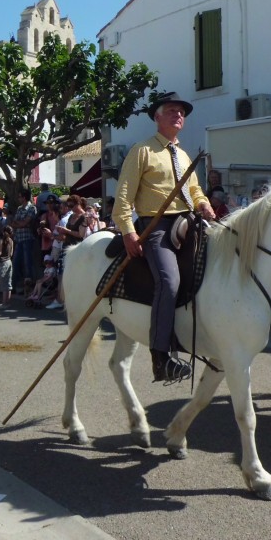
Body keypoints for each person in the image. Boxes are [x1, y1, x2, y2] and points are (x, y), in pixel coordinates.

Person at [112, 91, 215, 382]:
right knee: (169, 282)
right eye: (171, 110)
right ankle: (161, 357)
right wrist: (128, 231)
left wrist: (203, 203)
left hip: (190, 222)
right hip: (156, 227)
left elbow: (194, 190)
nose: (178, 115)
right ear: (157, 117)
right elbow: (123, 195)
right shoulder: (141, 150)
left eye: (181, 111)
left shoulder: (183, 155)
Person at [10, 188, 37, 293]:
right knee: (15, 263)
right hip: (19, 238)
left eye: (20, 196)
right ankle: (13, 286)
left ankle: (28, 288)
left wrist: (19, 223)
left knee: (27, 263)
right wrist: (20, 223)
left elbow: (24, 223)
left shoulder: (31, 208)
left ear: (24, 197)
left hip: (27, 238)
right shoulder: (19, 208)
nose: (18, 198)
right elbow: (14, 223)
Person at [0, 225, 14, 307]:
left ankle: (4, 302)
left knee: (3, 283)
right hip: (9, 261)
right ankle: (7, 302)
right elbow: (11, 253)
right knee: (8, 282)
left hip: (2, 262)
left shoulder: (1, 241)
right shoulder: (11, 241)